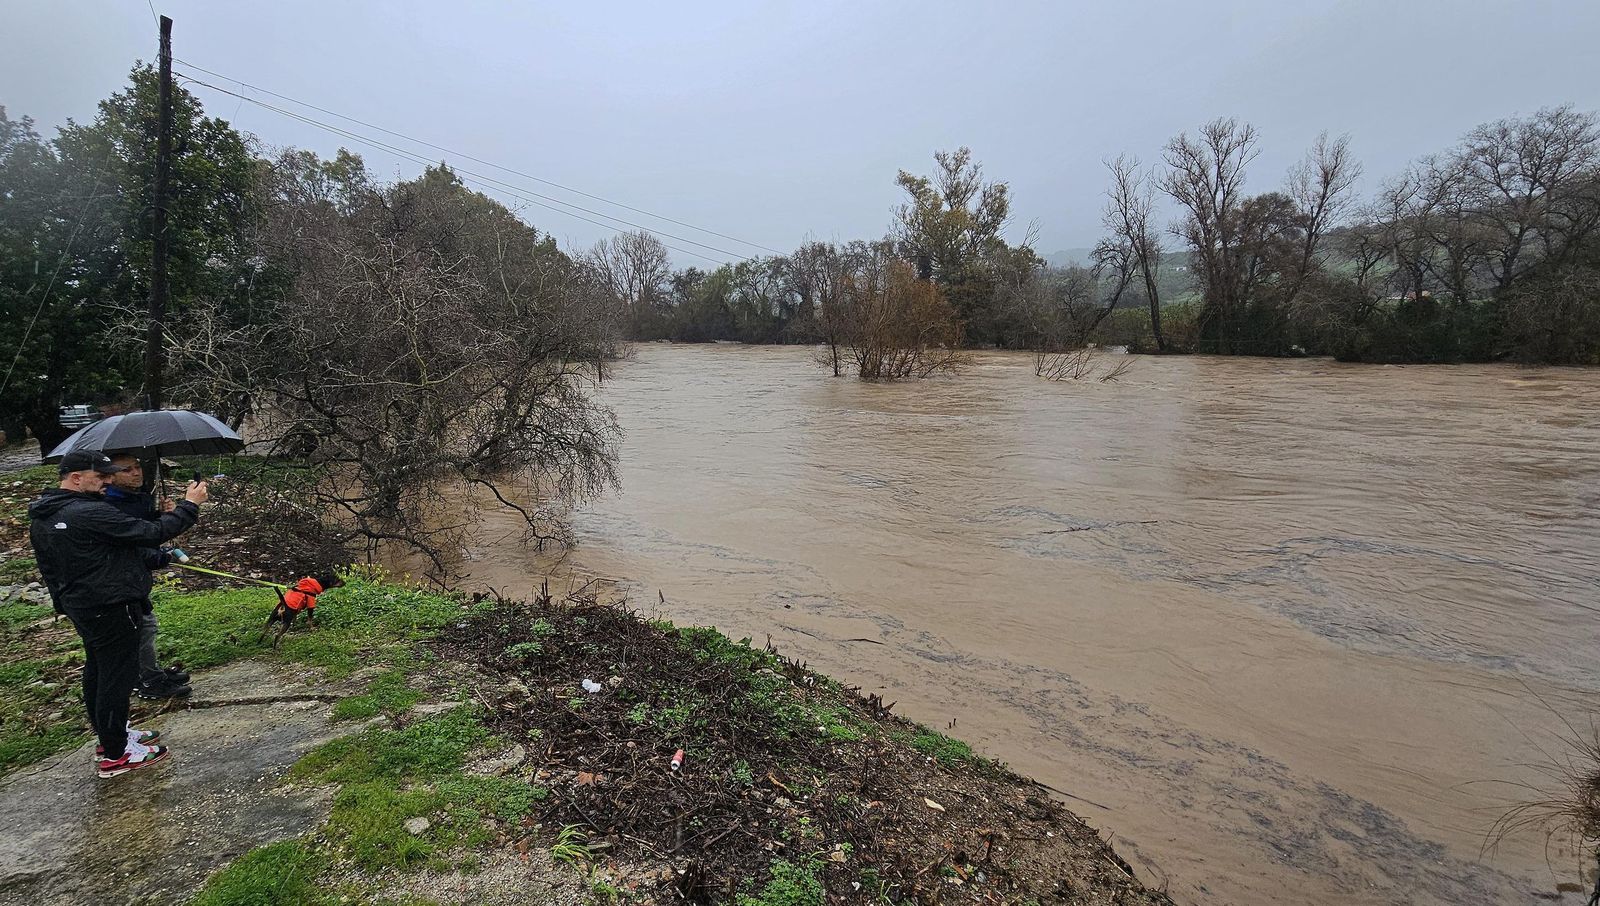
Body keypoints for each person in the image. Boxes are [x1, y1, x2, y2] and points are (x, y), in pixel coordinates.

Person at [28, 450, 208, 778]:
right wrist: (190, 505)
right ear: (76, 478)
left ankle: (111, 737)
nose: (107, 481)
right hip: (110, 605)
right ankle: (116, 755)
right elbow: (151, 534)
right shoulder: (88, 512)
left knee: (98, 671)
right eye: (100, 476)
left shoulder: (46, 512)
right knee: (117, 677)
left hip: (83, 604)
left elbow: (112, 548)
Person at [103, 454, 192, 700]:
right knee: (143, 627)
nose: (136, 473)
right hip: (120, 581)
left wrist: (161, 516)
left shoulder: (134, 497)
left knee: (145, 626)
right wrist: (159, 557)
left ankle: (147, 673)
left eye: (137, 467)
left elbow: (145, 528)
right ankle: (148, 680)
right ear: (110, 477)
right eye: (127, 470)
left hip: (134, 579)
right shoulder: (112, 505)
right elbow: (134, 540)